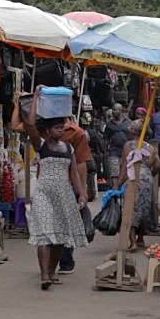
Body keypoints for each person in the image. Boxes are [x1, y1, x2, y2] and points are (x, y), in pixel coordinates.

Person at [21, 87, 87, 290]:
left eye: (62, 127)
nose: (60, 130)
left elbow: (74, 173)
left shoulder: (68, 148)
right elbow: (29, 123)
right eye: (57, 127)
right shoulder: (40, 145)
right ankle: (43, 276)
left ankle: (51, 272)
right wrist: (36, 97)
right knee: (44, 233)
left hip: (64, 194)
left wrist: (82, 194)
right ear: (48, 130)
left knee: (60, 237)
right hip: (44, 194)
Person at [114, 119, 160, 251]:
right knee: (144, 209)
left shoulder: (129, 145)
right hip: (147, 179)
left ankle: (133, 242)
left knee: (130, 209)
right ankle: (141, 239)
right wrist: (150, 174)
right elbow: (158, 165)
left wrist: (118, 184)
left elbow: (125, 166)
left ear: (131, 132)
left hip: (133, 178)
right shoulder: (149, 146)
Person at [58, 115, 92, 275]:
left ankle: (65, 260)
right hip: (48, 186)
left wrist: (82, 192)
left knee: (66, 224)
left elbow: (80, 164)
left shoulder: (77, 133)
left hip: (69, 186)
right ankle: (52, 263)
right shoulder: (44, 130)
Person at [103, 103, 131, 187]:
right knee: (114, 171)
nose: (113, 112)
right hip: (114, 151)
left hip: (126, 152)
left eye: (115, 110)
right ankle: (115, 190)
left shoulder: (128, 123)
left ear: (120, 111)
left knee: (125, 171)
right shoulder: (109, 125)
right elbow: (106, 139)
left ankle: (123, 190)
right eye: (112, 110)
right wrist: (105, 152)